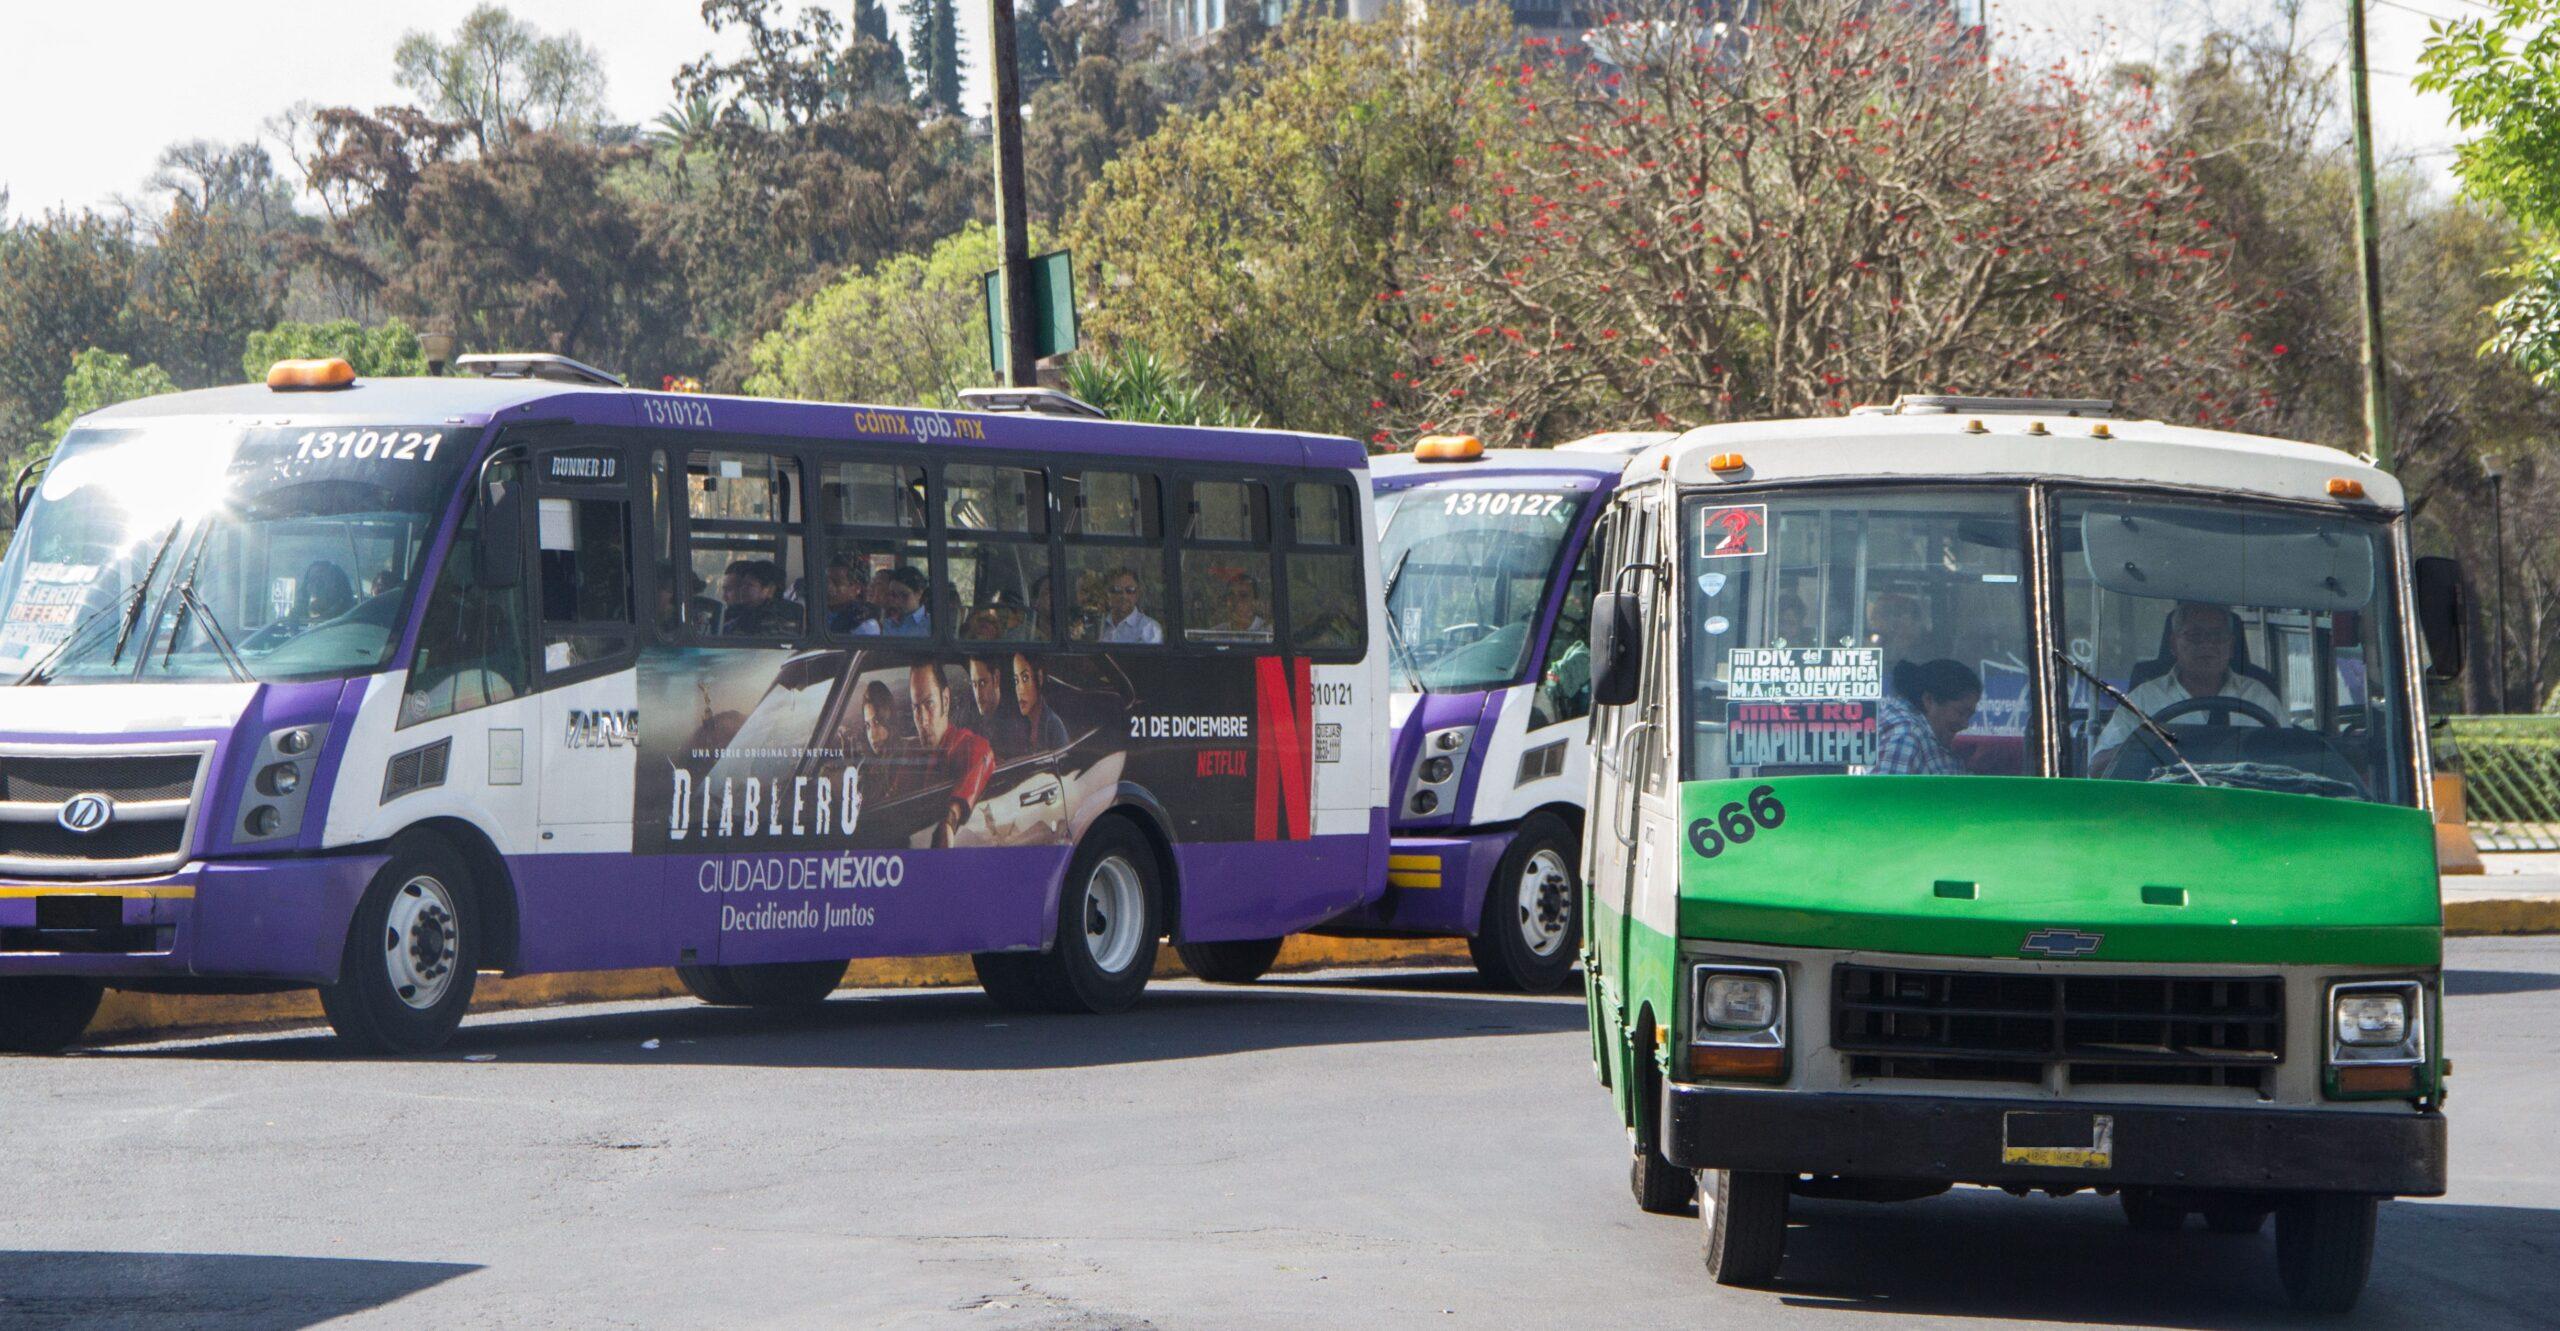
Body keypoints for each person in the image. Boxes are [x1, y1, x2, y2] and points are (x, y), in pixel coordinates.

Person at [2090, 602, 2285, 773]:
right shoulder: (2144, 698)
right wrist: (2147, 744)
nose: (2207, 644)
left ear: (2231, 646)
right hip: (2163, 805)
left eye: (2217, 636)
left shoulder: (2259, 696)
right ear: (2174, 644)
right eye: (2195, 635)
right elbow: (2097, 768)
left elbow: (2293, 758)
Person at [911, 662, 995, 845]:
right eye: (916, 708)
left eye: (929, 704)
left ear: (946, 701)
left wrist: (950, 819)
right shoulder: (913, 752)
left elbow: (984, 753)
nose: (922, 720)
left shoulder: (961, 743)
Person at [1874, 658, 1980, 776]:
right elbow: (1888, 793)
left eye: (1969, 716)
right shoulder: (1905, 737)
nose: (1965, 724)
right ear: (1929, 700)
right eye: (1960, 712)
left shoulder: (1921, 735)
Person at [970, 656, 1031, 757]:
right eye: (974, 685)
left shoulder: (1015, 724)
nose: (978, 694)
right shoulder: (971, 713)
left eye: (982, 683)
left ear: (996, 678)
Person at [718, 559, 798, 637]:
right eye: (742, 585)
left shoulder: (775, 622)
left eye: (749, 585)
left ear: (770, 590)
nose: (742, 589)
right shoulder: (743, 614)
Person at [1013, 652, 1071, 754]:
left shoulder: (1053, 725)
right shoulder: (1021, 725)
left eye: (1025, 678)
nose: (1020, 690)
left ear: (1039, 678)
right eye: (1016, 681)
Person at [854, 565, 932, 637]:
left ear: (919, 594)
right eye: (893, 595)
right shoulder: (885, 622)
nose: (897, 601)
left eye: (904, 595)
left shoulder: (931, 625)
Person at [1096, 567, 1163, 644]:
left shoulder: (1151, 629)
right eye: (1116, 590)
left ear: (1137, 594)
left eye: (1130, 590)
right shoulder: (1097, 625)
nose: (1124, 596)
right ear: (1107, 594)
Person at [823, 553, 874, 634]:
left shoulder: (863, 621)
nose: (829, 587)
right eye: (827, 582)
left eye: (837, 583)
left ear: (856, 588)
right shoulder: (815, 612)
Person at [1216, 573, 1272, 639]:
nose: (1235, 601)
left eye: (1243, 596)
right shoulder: (1215, 634)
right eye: (1231, 596)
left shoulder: (1268, 634)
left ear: (1255, 602)